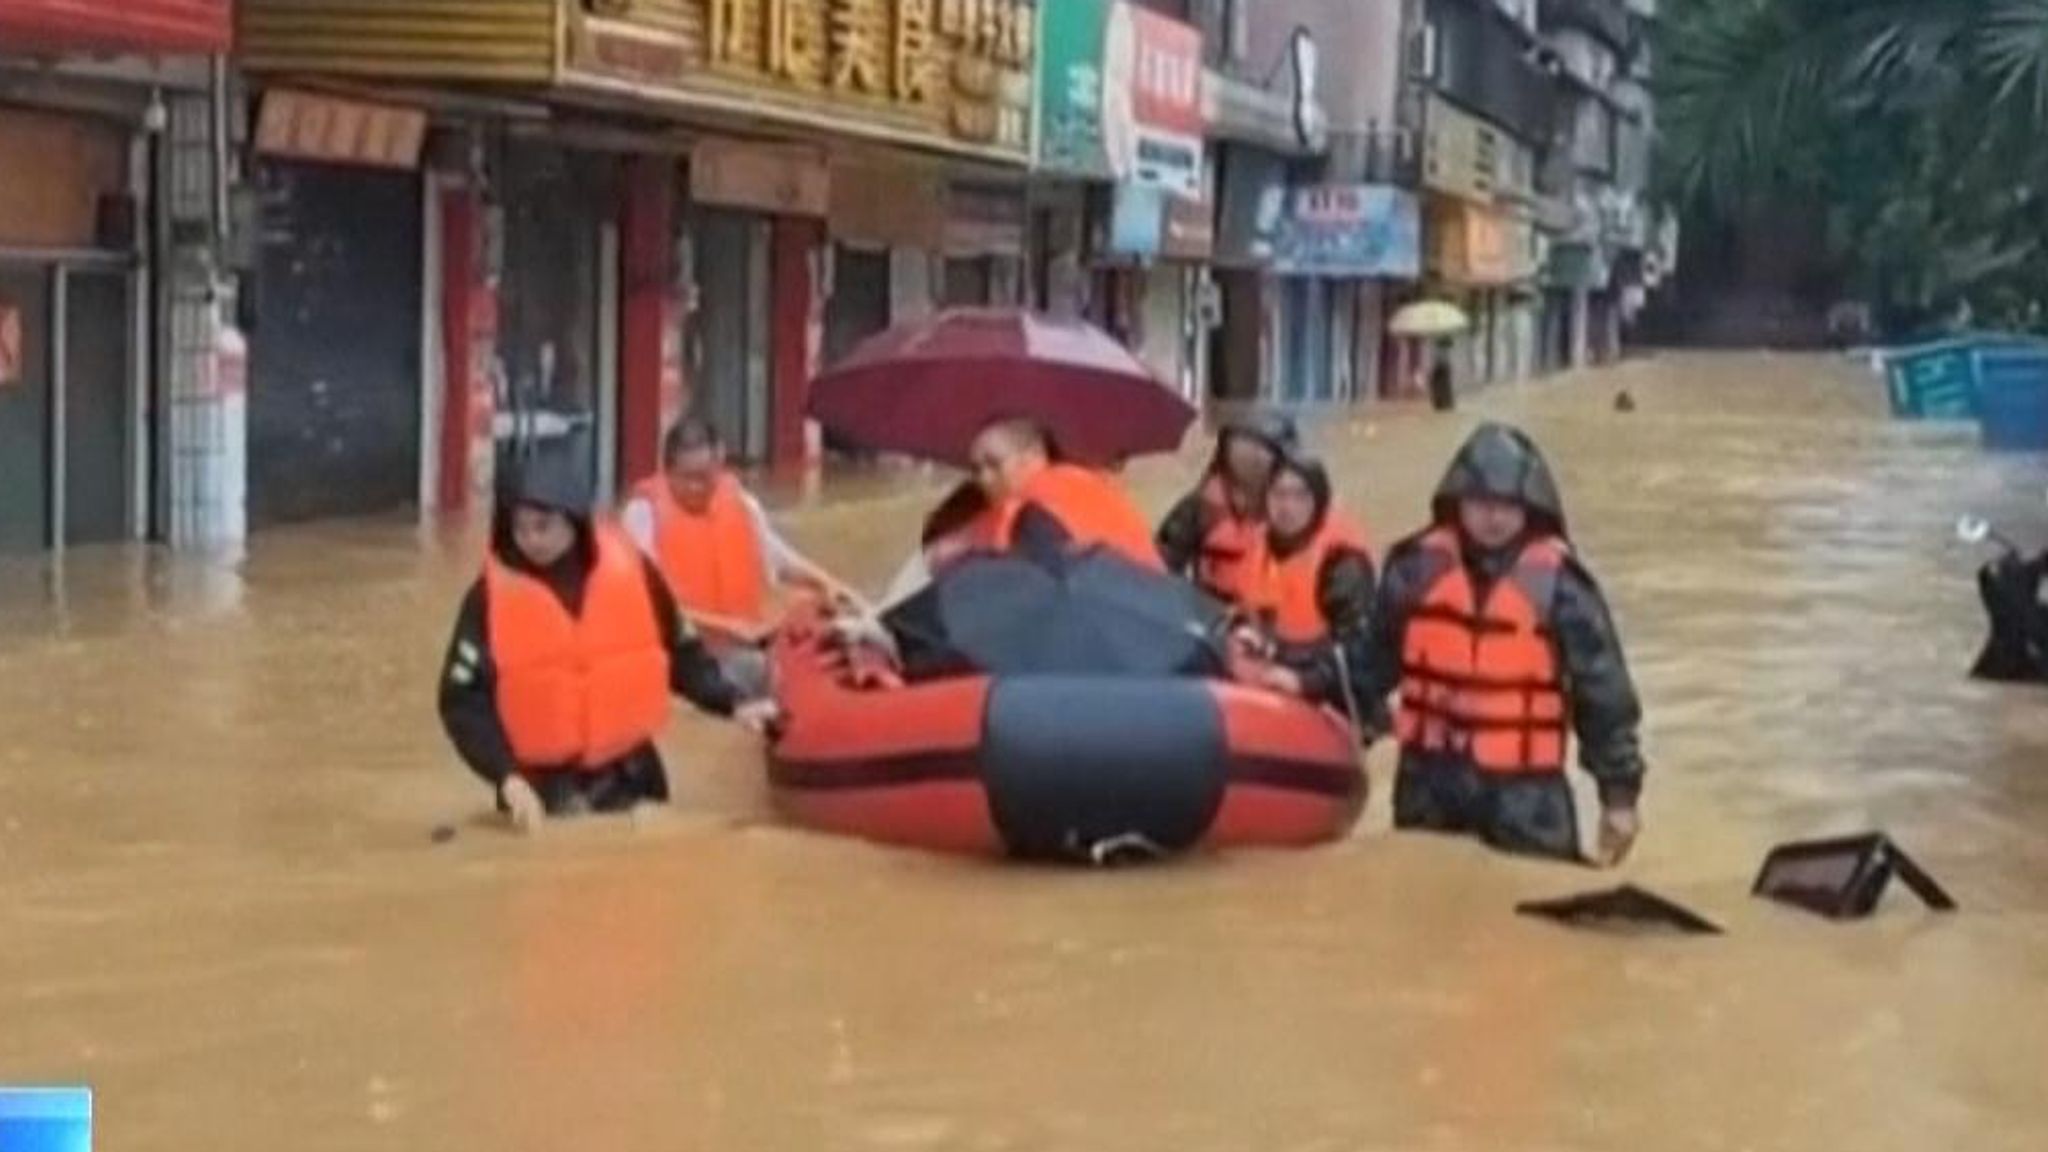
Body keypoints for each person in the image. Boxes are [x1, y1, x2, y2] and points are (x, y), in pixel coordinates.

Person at [438, 452, 781, 831]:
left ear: (573, 520)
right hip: (544, 791)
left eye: (543, 526)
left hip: (634, 776)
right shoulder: (487, 599)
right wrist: (506, 776)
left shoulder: (632, 570)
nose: (531, 539)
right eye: (520, 528)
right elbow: (462, 703)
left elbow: (681, 654)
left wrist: (732, 702)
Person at [1357, 422, 1646, 865]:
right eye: (1481, 503)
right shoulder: (1413, 571)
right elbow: (1368, 668)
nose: (1494, 517)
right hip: (1428, 785)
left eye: (1508, 505)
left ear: (1531, 508)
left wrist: (1619, 796)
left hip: (1527, 796)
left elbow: (1603, 694)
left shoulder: (1563, 586)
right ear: (1459, 504)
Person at [621, 416, 849, 694]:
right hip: (685, 654)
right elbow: (648, 600)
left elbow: (782, 560)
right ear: (667, 472)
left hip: (744, 639)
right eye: (687, 477)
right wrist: (726, 626)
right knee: (761, 672)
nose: (696, 487)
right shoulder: (642, 516)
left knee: (819, 633)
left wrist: (827, 585)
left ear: (719, 468)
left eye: (705, 477)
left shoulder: (742, 504)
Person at [1229, 450, 1381, 724]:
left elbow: (1361, 653)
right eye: (1278, 494)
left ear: (1318, 502)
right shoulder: (1257, 547)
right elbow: (1247, 610)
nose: (1287, 507)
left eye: (1300, 496)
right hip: (1273, 681)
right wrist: (1242, 633)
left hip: (1332, 697)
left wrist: (1304, 682)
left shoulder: (1343, 564)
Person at [960, 417, 1163, 570]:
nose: (984, 478)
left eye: (994, 465)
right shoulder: (1086, 483)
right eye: (976, 469)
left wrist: (958, 546)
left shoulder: (1034, 510)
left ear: (1033, 456)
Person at [1155, 411, 1300, 605]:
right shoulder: (1203, 506)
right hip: (1213, 617)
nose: (1251, 461)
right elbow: (1158, 566)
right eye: (1244, 453)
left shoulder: (1294, 510)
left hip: (1271, 617)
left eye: (1260, 455)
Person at [1427, 339, 1457, 412]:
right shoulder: (1443, 347)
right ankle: (1445, 404)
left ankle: (1443, 404)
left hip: (1440, 367)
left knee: (1440, 387)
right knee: (1442, 387)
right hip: (1441, 367)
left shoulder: (1439, 347)